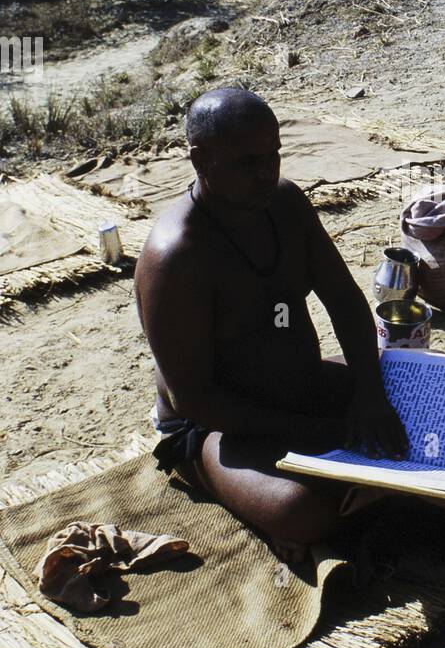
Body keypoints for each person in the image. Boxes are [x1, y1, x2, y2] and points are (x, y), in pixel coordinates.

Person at [134, 87, 408, 560]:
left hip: (302, 386)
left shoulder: (285, 205)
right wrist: (307, 431)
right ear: (201, 160)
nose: (266, 175)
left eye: (273, 156)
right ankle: (211, 480)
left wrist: (368, 394)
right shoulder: (176, 256)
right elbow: (195, 400)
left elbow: (344, 301)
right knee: (304, 511)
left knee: (419, 394)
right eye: (246, 163)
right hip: (215, 428)